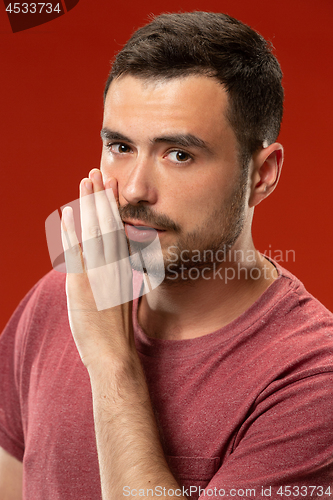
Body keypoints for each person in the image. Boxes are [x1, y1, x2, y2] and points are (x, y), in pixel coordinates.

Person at [1, 11, 333, 500]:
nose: (134, 189)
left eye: (179, 154)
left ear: (262, 175)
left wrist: (112, 363)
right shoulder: (59, 298)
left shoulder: (311, 379)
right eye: (120, 146)